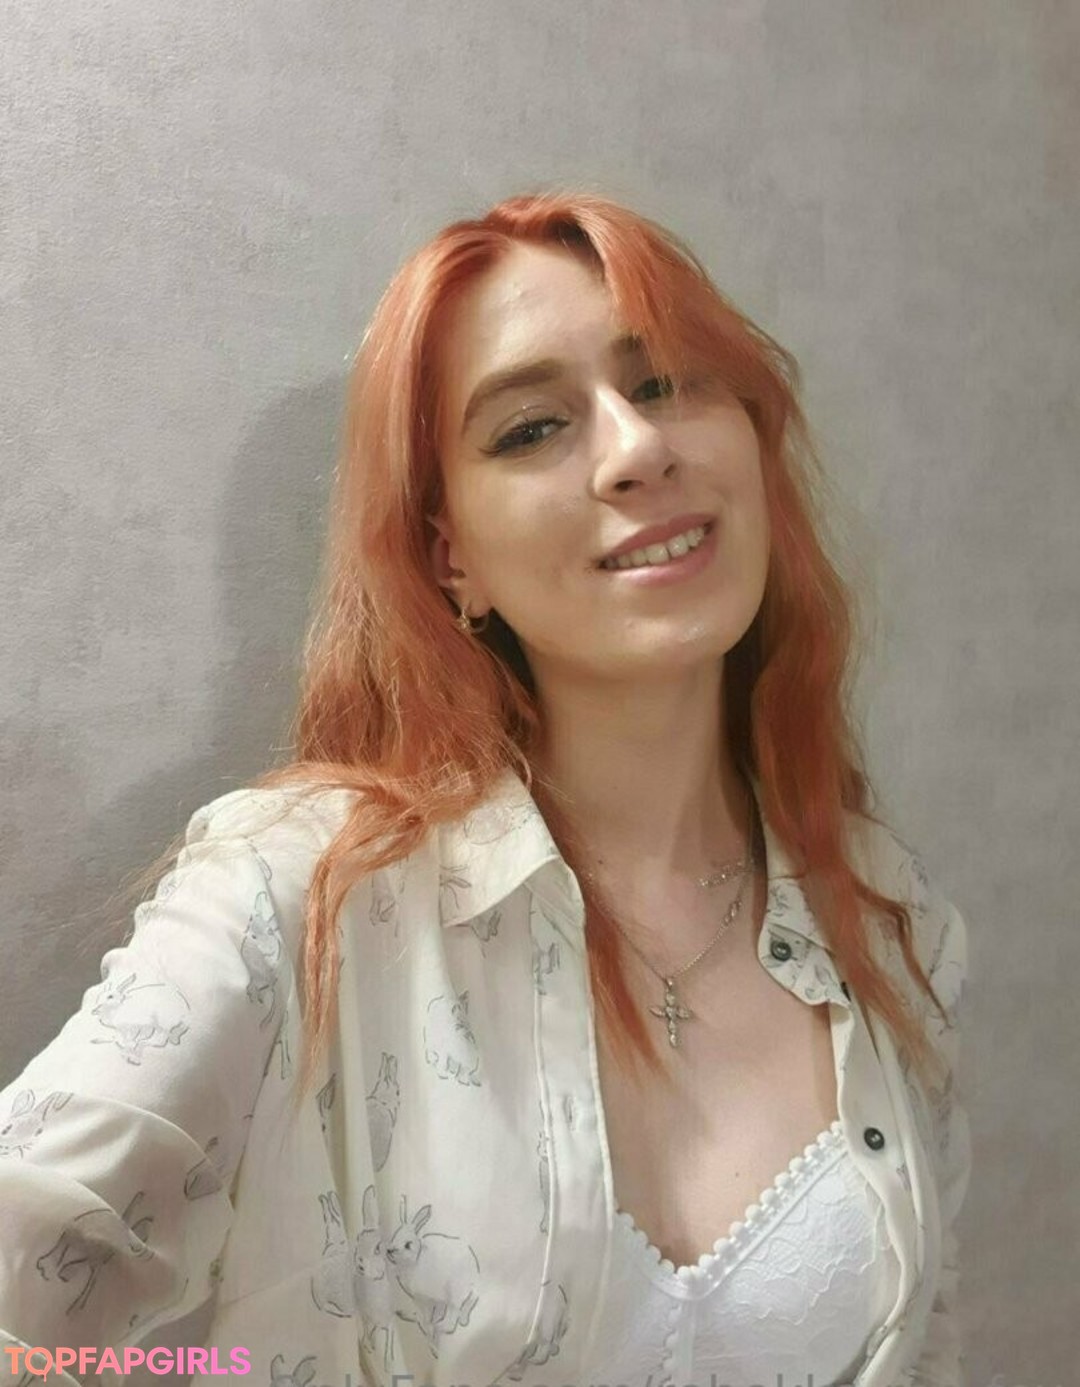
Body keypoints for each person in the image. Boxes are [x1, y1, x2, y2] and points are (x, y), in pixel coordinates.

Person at [0, 189, 971, 1387]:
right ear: (450, 555)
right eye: (532, 428)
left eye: (667, 382)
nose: (637, 448)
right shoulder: (298, 897)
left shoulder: (889, 919)